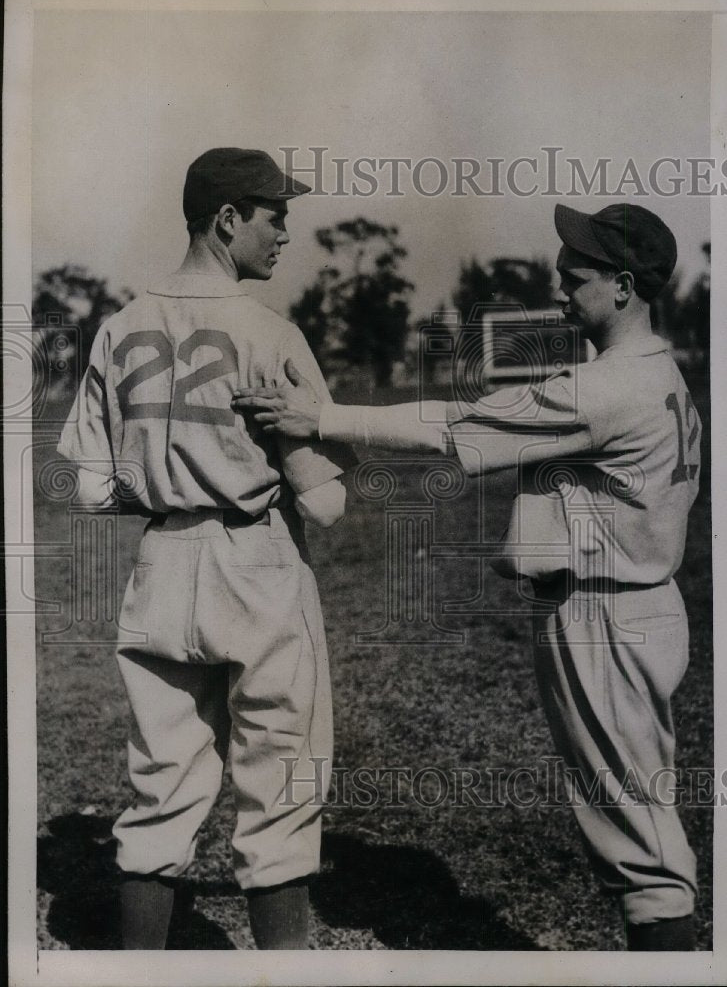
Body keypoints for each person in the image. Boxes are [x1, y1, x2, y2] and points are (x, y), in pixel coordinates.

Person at [232, 202, 702, 951]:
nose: (558, 291)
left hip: (604, 616)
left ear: (621, 286)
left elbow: (453, 426)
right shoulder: (655, 373)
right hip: (638, 606)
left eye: (573, 278)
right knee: (639, 812)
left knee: (640, 842)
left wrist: (317, 418)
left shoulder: (608, 387)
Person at [57, 147, 355, 949]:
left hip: (162, 562)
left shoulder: (119, 328)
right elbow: (327, 503)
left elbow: (89, 487)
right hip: (255, 561)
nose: (285, 233)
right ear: (228, 219)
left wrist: (168, 481)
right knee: (281, 789)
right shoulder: (269, 330)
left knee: (160, 788)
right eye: (274, 215)